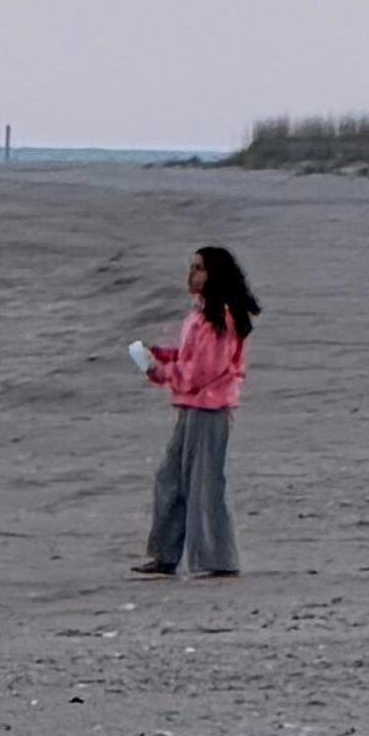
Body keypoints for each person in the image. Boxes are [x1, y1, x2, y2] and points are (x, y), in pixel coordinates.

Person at [135, 241, 258, 579]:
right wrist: (161, 355)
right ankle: (165, 554)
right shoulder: (200, 315)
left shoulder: (221, 319)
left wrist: (156, 371)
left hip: (211, 410)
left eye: (199, 268)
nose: (192, 274)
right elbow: (190, 359)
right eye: (192, 267)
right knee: (170, 479)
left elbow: (200, 373)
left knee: (204, 484)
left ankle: (217, 559)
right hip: (192, 408)